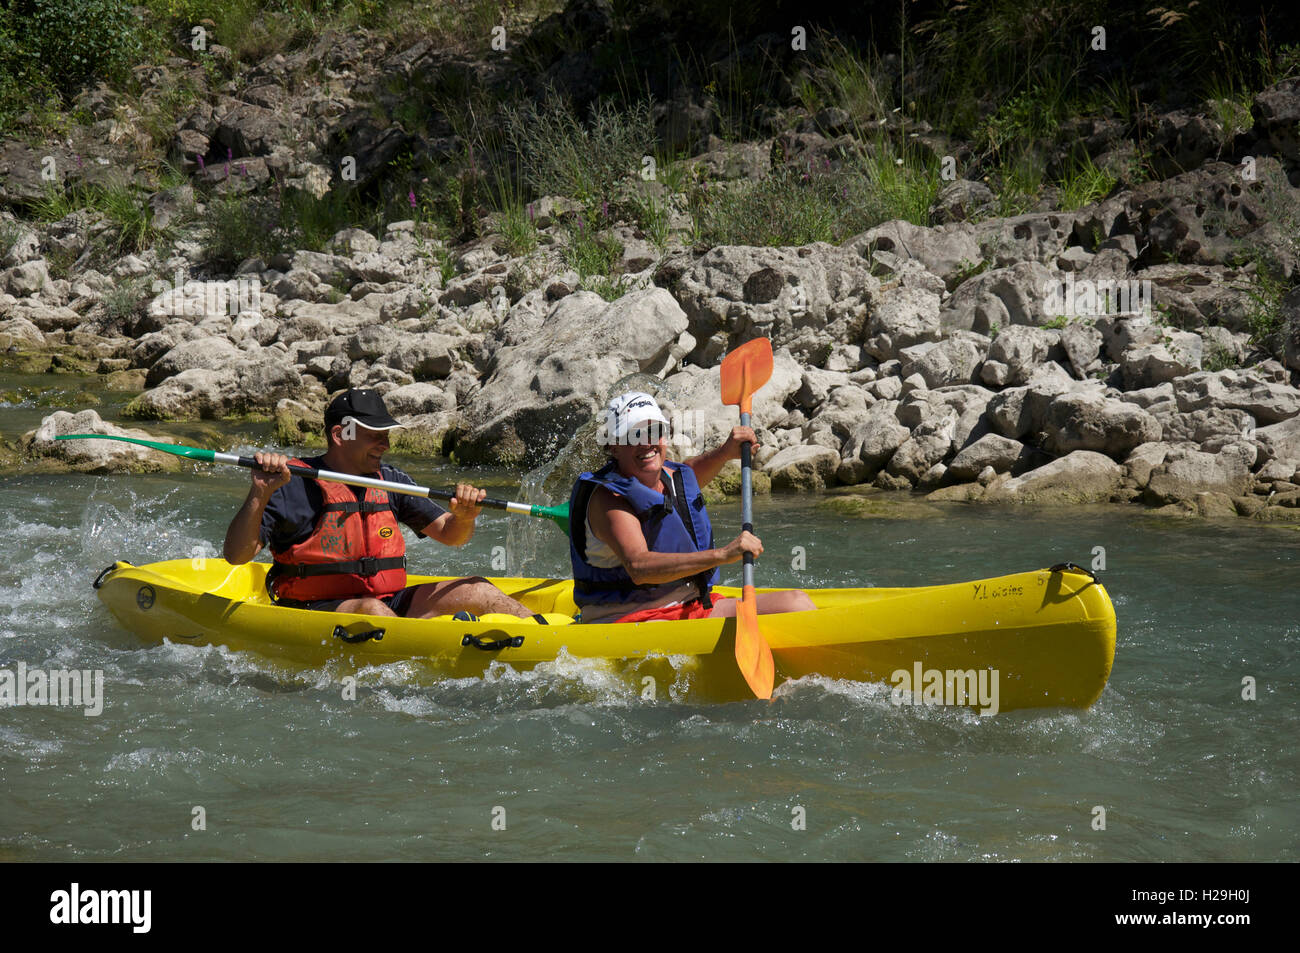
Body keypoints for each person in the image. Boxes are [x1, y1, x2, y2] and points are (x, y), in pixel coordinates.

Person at [223, 388, 540, 621]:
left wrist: (464, 517)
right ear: (340, 434)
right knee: (372, 610)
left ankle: (551, 640)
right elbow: (237, 556)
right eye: (375, 434)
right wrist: (259, 492)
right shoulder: (289, 483)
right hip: (314, 609)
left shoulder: (390, 480)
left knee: (478, 590)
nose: (385, 444)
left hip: (388, 600)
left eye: (386, 434)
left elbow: (452, 535)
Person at [568, 391, 817, 624]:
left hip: (691, 604)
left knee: (796, 603)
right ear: (613, 446)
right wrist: (722, 554)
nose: (646, 443)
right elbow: (639, 568)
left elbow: (689, 475)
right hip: (631, 617)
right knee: (794, 610)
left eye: (653, 431)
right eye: (633, 435)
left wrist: (725, 452)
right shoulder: (608, 499)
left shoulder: (667, 474)